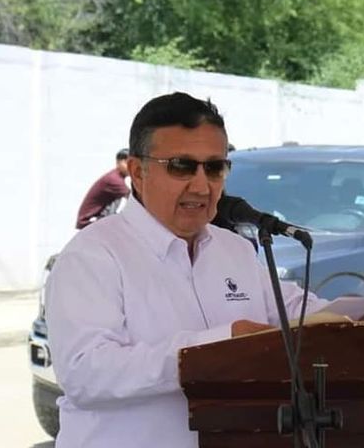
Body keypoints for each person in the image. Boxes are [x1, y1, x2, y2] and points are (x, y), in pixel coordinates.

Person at [45, 92, 331, 448]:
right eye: (181, 166)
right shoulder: (93, 255)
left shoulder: (235, 250)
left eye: (214, 168)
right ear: (138, 172)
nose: (201, 185)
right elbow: (85, 372)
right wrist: (213, 352)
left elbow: (298, 313)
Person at [74, 149, 131, 229]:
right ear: (118, 162)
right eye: (126, 162)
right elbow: (134, 199)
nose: (129, 167)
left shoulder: (116, 177)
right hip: (89, 221)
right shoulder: (114, 180)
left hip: (96, 220)